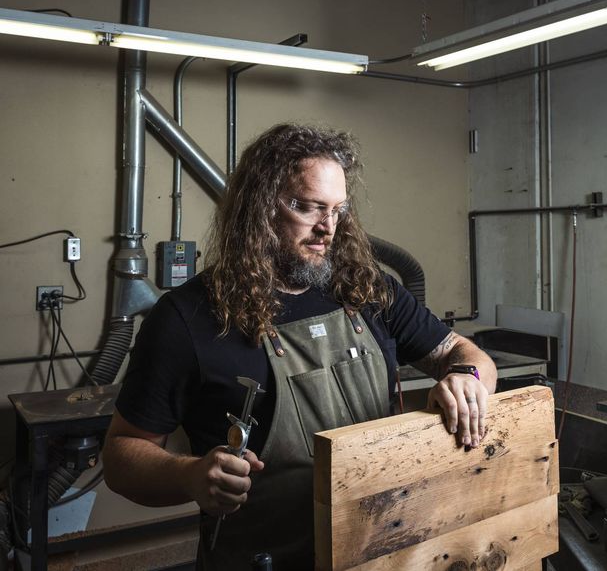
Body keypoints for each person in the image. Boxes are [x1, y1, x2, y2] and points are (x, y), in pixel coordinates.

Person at [102, 123, 497, 570]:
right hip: (263, 558)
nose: (327, 228)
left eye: (337, 210)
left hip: (379, 548)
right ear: (259, 208)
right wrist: (190, 476)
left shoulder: (368, 290)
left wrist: (469, 377)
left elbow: (461, 352)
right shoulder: (186, 318)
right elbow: (120, 456)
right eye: (307, 208)